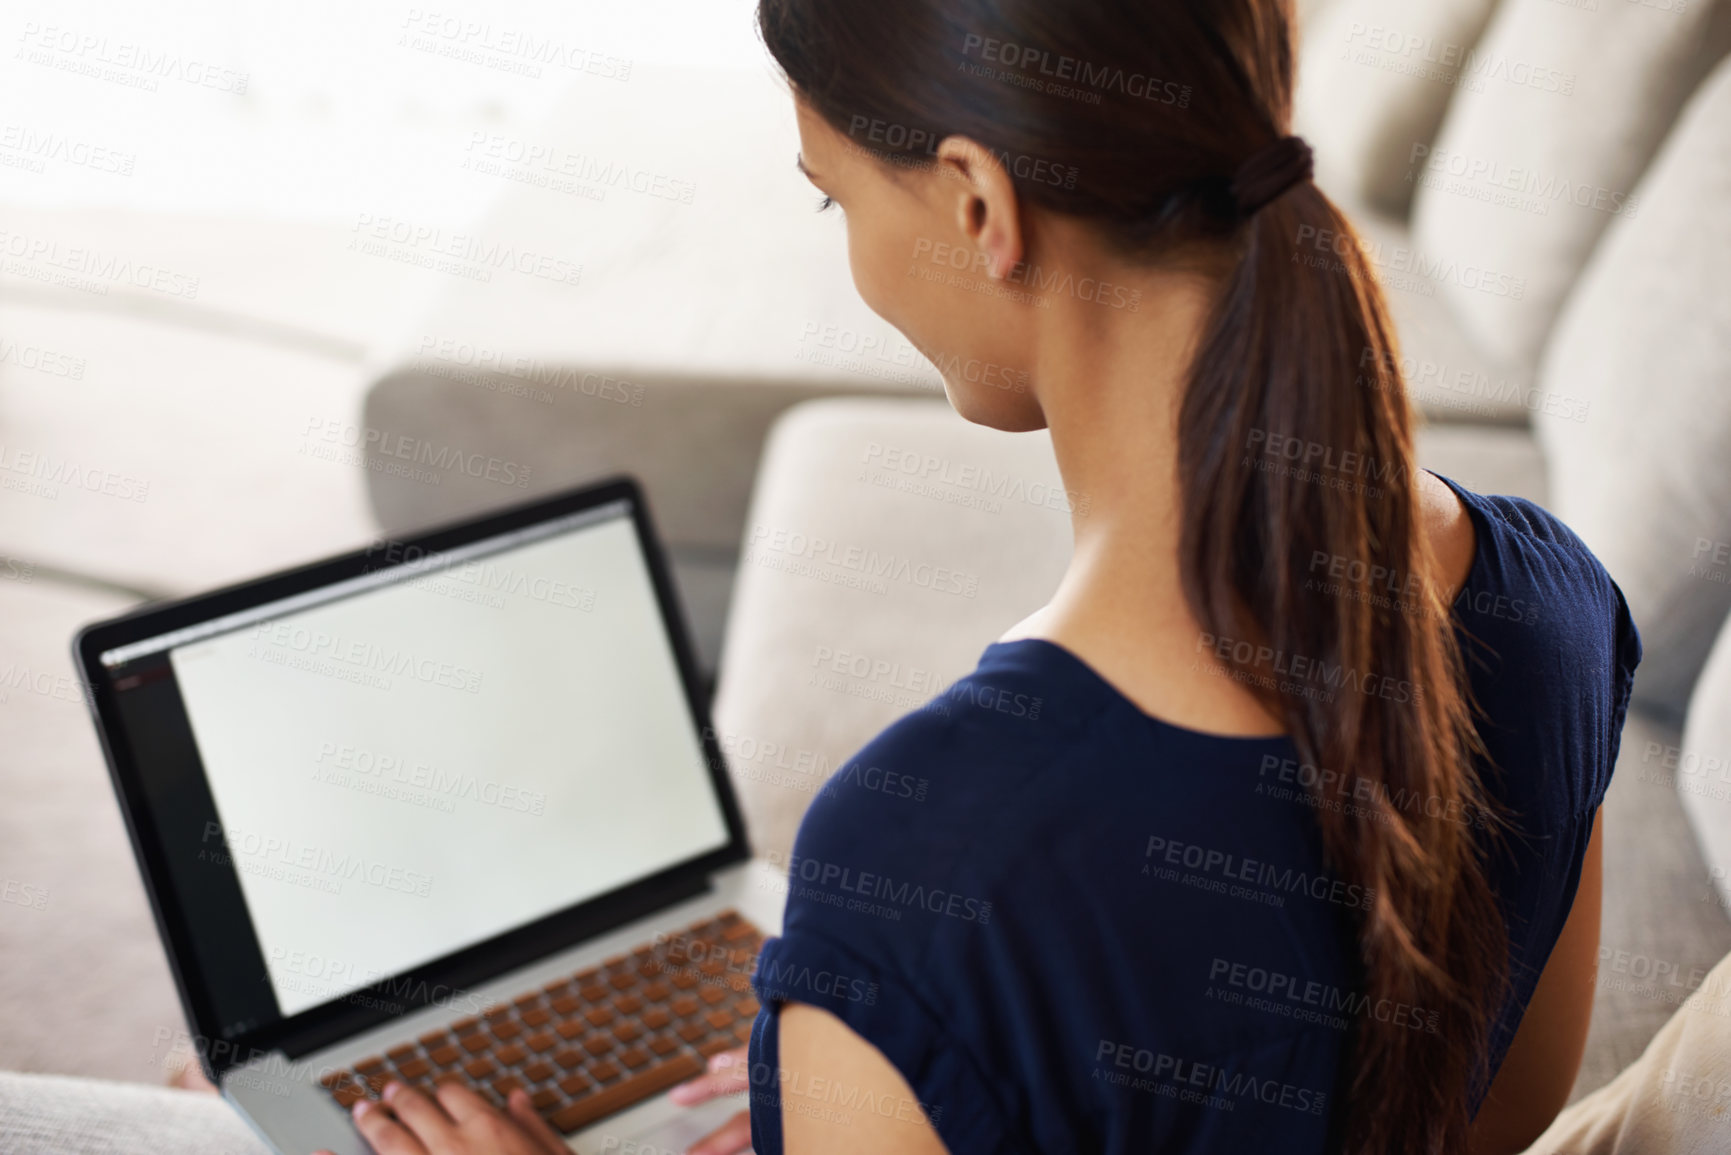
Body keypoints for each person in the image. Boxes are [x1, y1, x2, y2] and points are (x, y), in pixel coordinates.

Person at [329, 0, 1641, 1152]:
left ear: (977, 203)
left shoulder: (927, 858)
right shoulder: (1554, 601)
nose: (848, 251)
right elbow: (1495, 1121)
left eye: (835, 197)